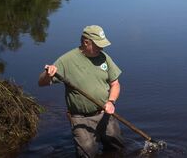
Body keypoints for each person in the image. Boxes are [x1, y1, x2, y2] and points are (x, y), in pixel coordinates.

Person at [38, 25, 124, 157]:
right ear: (86, 42)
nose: (101, 48)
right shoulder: (67, 60)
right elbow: (41, 83)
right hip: (81, 119)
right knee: (87, 153)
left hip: (105, 113)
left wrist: (111, 102)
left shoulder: (104, 57)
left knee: (117, 148)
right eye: (97, 45)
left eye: (102, 45)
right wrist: (48, 74)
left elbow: (115, 84)